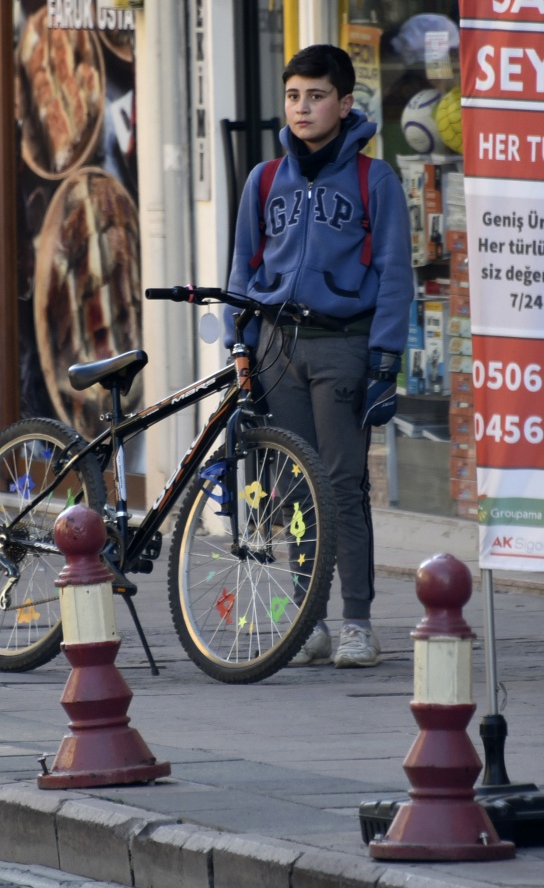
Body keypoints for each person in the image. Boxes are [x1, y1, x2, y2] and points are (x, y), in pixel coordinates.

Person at [225, 44, 414, 668]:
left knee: (342, 487)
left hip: (343, 346)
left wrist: (385, 360)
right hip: (278, 349)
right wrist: (240, 343)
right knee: (292, 488)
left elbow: (393, 275)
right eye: (293, 96)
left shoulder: (373, 179)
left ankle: (357, 621)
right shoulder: (263, 180)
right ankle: (309, 622)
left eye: (316, 96)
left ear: (344, 103)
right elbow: (244, 268)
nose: (302, 108)